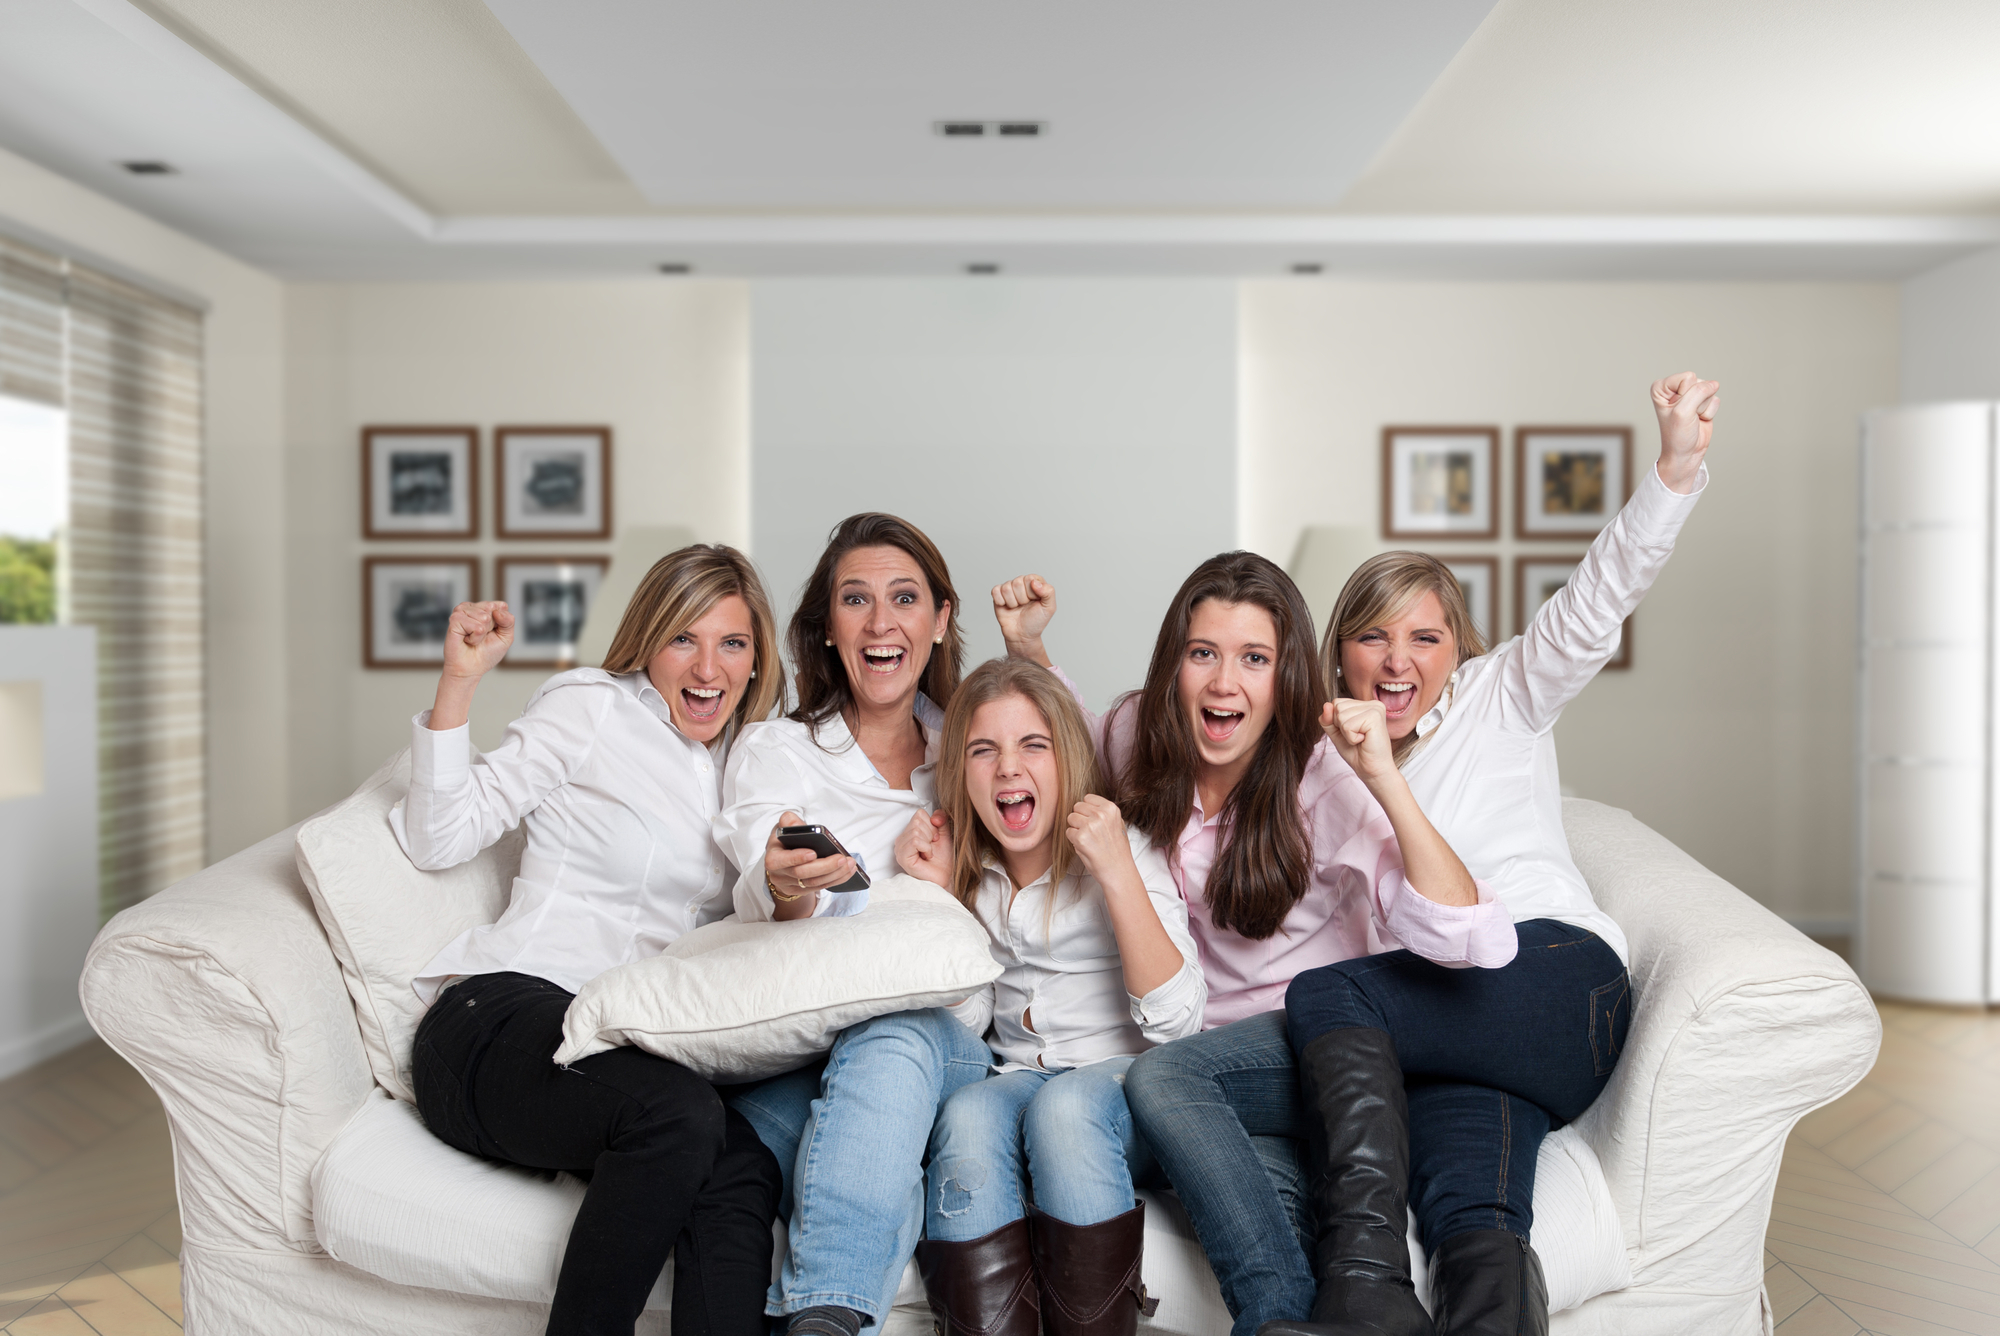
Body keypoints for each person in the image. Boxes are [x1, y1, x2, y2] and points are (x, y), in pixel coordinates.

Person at [1264, 373, 1720, 1336]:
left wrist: (1675, 468)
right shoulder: (1321, 765)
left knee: (1332, 997)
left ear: (1456, 648)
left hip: (1560, 983)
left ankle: (1361, 1290)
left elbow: (1600, 598)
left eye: (1424, 637)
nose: (1398, 661)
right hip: (1468, 1031)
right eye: (1372, 637)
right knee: (1474, 1214)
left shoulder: (1500, 694)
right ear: (1337, 651)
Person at [993, 552, 1515, 1336]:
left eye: (1254, 659)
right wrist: (1029, 654)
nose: (1223, 683)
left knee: (1164, 1080)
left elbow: (1473, 935)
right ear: (1176, 665)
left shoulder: (1321, 780)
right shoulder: (1143, 733)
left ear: (1287, 677)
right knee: (1269, 1246)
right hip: (1209, 1066)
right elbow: (1074, 748)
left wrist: (1382, 777)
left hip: (1299, 1052)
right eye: (1203, 654)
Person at [393, 544, 786, 1336]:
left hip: (618, 1038)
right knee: (681, 1116)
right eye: (684, 639)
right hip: (494, 1022)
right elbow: (440, 837)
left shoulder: (747, 765)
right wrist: (459, 682)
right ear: (648, 643)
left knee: (741, 1168)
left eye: (732, 643)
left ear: (756, 661)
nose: (708, 666)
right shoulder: (592, 706)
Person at [712, 512, 988, 1336]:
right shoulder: (776, 751)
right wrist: (790, 881)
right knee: (791, 1155)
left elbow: (1037, 897)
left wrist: (935, 886)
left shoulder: (979, 747)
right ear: (827, 630)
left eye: (905, 598)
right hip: (806, 1055)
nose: (880, 623)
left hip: (947, 1044)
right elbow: (761, 868)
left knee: (893, 1034)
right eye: (855, 600)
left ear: (940, 621)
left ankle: (820, 1321)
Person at [894, 657, 1206, 1336]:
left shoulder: (1126, 847)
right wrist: (943, 901)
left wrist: (1117, 872)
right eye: (984, 750)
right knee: (970, 1114)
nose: (1008, 768)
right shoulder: (967, 872)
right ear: (960, 774)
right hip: (1015, 1079)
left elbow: (1180, 1024)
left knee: (1064, 1109)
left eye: (1032, 745)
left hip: (1123, 1087)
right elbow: (966, 1023)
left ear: (1067, 759)